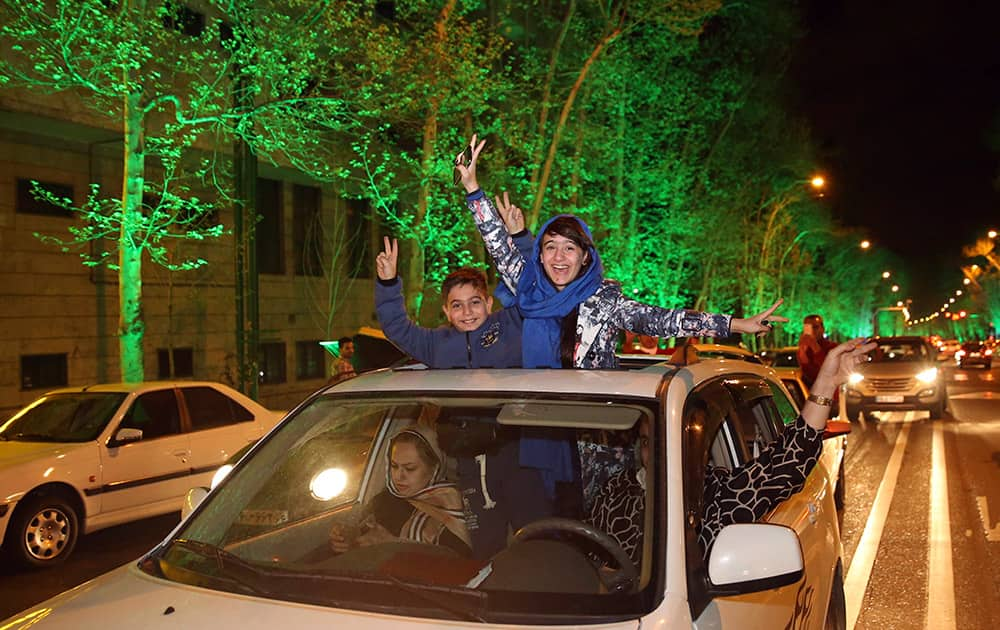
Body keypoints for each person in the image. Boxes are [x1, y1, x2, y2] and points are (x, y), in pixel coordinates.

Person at [456, 134, 787, 369]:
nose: (559, 258)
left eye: (569, 248)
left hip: (594, 443)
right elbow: (496, 242)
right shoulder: (527, 287)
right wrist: (472, 187)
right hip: (534, 429)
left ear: (585, 257)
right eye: (550, 247)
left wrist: (737, 324)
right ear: (539, 255)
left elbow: (664, 321)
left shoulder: (605, 302)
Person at [588, 338, 876, 565]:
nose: (658, 453)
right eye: (650, 442)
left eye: (671, 440)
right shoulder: (614, 491)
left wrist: (825, 383)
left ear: (696, 446)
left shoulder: (716, 495)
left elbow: (788, 461)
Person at [374, 237, 528, 369]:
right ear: (446, 311)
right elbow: (396, 327)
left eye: (474, 302)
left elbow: (533, 289)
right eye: (457, 305)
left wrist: (519, 237)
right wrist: (388, 282)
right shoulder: (434, 344)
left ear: (488, 304)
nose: (467, 312)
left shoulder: (511, 324)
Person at [329, 425, 471, 555]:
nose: (399, 476)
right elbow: (360, 538)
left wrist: (393, 544)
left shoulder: (455, 506)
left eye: (410, 468)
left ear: (434, 468)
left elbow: (460, 564)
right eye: (394, 466)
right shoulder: (383, 501)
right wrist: (348, 539)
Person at [797, 314, 836, 387]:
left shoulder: (832, 347)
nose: (813, 331)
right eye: (808, 328)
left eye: (815, 327)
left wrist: (814, 346)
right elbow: (806, 371)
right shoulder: (805, 349)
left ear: (822, 329)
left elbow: (827, 369)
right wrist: (802, 349)